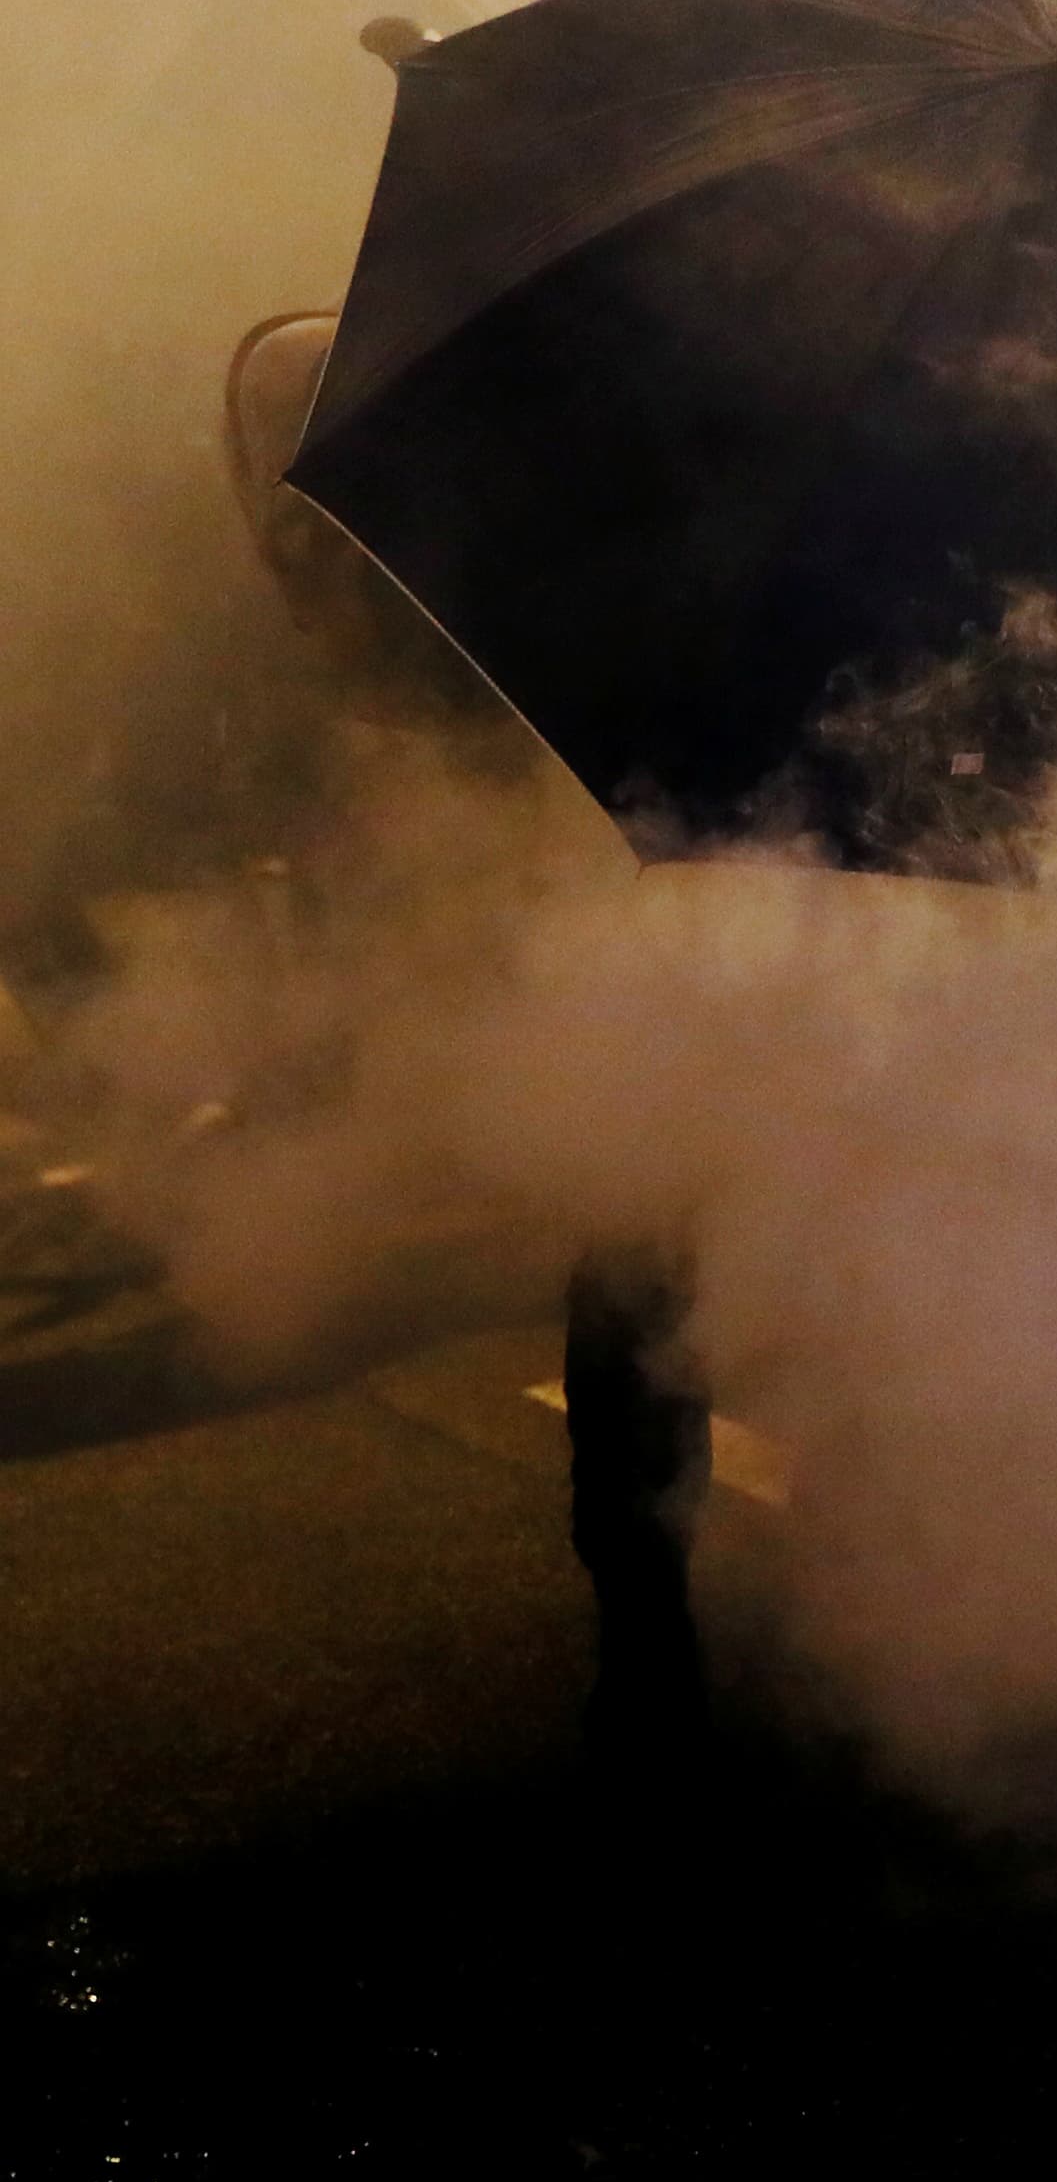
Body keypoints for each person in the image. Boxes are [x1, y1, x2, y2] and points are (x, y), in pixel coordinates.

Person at [225, 292, 714, 1769]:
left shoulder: (543, 412)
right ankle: (651, 1620)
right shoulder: (465, 426)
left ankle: (666, 1619)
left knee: (661, 1248)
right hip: (629, 865)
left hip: (662, 858)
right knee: (647, 1245)